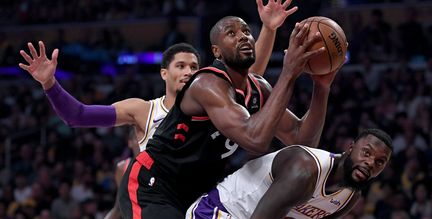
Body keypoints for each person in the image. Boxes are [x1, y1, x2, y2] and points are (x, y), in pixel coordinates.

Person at [119, 12, 339, 219]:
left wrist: (321, 88)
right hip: (154, 186)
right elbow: (255, 140)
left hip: (196, 191)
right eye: (231, 33)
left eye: (246, 31)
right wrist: (289, 72)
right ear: (217, 52)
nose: (243, 37)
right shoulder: (207, 84)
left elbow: (302, 142)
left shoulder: (258, 89)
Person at [17, 0, 295, 152]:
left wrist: (268, 29)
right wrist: (49, 84)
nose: (189, 72)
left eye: (193, 66)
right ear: (164, 73)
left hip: (205, 200)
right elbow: (78, 116)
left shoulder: (211, 98)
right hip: (160, 203)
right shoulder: (142, 110)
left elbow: (250, 76)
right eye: (181, 66)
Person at [186, 128, 393, 219]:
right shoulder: (305, 169)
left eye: (379, 162)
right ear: (350, 148)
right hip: (223, 216)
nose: (370, 163)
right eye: (366, 153)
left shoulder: (350, 196)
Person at [71, 128, 139, 219]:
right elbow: (118, 209)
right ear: (130, 142)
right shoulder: (123, 168)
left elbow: (153, 214)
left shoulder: (157, 165)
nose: (143, 141)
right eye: (138, 137)